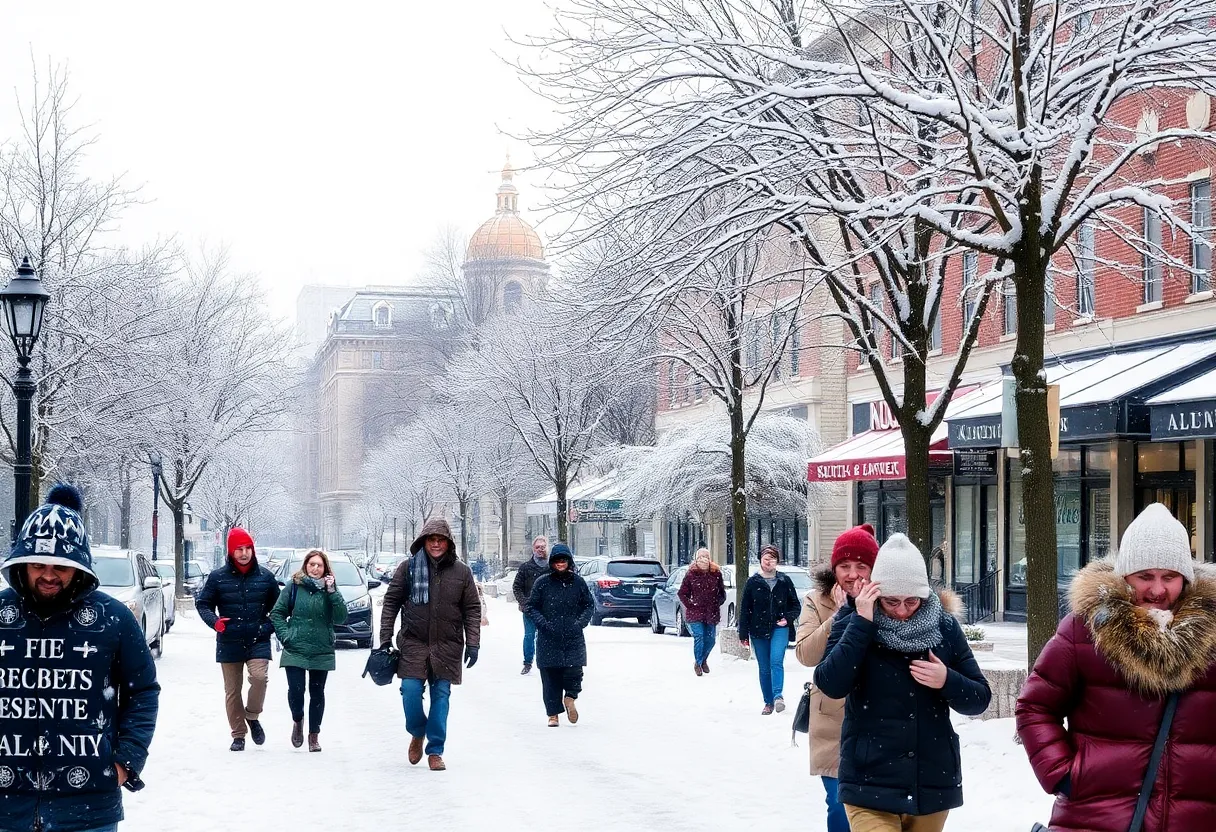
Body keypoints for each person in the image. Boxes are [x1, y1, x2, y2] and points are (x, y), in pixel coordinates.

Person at [1016, 503, 1216, 832]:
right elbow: (1035, 706)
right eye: (1145, 576)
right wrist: (1065, 775)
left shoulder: (1211, 634)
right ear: (1125, 575)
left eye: (1169, 577)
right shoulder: (1084, 629)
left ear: (1185, 578)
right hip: (1094, 818)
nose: (1157, 590)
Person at [0, 484, 160, 832]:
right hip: (7, 807)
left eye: (61, 566)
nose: (48, 574)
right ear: (22, 564)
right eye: (38, 564)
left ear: (79, 566)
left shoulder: (113, 619)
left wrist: (126, 761)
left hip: (87, 807)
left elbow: (143, 690)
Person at [814, 533, 991, 832]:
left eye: (912, 601)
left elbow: (980, 698)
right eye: (891, 601)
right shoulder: (853, 620)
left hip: (930, 784)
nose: (901, 610)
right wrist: (862, 623)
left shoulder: (944, 626)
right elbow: (830, 683)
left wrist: (946, 680)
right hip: (868, 782)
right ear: (875, 593)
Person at [379, 517, 481, 771]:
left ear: (448, 543)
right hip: (413, 642)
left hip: (448, 644)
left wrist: (473, 643)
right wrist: (385, 638)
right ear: (423, 541)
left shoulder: (462, 572)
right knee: (410, 691)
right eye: (431, 540)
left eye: (441, 540)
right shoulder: (408, 568)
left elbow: (472, 608)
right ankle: (417, 731)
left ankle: (435, 750)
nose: (436, 544)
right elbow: (391, 602)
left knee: (441, 697)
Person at [795, 523, 879, 832]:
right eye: (844, 566)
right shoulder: (816, 601)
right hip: (833, 720)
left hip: (877, 719)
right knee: (840, 803)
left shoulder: (888, 599)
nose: (853, 574)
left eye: (861, 566)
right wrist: (840, 616)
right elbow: (806, 654)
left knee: (874, 808)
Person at [195, 527, 281, 751]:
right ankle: (238, 734)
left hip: (258, 639)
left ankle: (252, 716)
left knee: (259, 678)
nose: (244, 553)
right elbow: (203, 604)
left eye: (247, 548)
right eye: (239, 549)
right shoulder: (217, 577)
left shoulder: (265, 577)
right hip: (229, 640)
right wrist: (215, 622)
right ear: (231, 552)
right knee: (232, 691)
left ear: (253, 550)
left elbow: (280, 608)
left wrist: (267, 627)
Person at [269, 549, 346, 753]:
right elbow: (277, 613)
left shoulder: (330, 589)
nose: (315, 568)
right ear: (305, 566)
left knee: (317, 693)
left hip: (321, 649)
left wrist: (332, 592)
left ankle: (314, 735)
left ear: (325, 568)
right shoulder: (294, 586)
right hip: (295, 647)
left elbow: (341, 617)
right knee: (296, 690)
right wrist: (286, 635)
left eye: (319, 565)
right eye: (312, 564)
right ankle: (298, 720)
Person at [526, 542, 593, 726]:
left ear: (569, 561)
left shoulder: (578, 582)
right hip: (549, 637)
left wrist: (579, 623)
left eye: (564, 560)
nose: (560, 564)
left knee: (574, 671)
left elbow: (588, 605)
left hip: (573, 636)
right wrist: (543, 624)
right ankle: (553, 714)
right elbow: (532, 607)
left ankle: (570, 697)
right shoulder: (543, 583)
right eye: (557, 561)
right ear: (552, 562)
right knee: (550, 677)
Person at [738, 544, 802, 714]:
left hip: (780, 627)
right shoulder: (753, 582)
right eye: (766, 558)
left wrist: (787, 618)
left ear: (777, 561)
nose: (769, 562)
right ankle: (768, 702)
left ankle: (778, 696)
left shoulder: (784, 581)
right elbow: (745, 609)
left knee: (776, 661)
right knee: (765, 667)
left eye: (772, 558)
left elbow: (796, 605)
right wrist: (743, 634)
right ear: (760, 560)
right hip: (758, 629)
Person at [677, 547, 726, 676]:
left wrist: (717, 602)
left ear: (710, 559)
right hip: (695, 612)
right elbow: (682, 593)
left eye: (706, 557)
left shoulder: (716, 573)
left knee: (711, 640)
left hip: (711, 612)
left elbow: (722, 593)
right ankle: (698, 663)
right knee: (699, 636)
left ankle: (703, 659)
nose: (703, 560)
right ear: (696, 559)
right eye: (701, 557)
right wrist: (690, 605)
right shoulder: (691, 574)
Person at [513, 535, 550, 674]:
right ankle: (527, 662)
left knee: (546, 636)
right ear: (533, 549)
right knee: (529, 636)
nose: (540, 549)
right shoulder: (525, 567)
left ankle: (545, 661)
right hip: (530, 609)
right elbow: (517, 587)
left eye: (543, 547)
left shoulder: (552, 568)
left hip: (548, 609)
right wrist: (524, 602)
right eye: (537, 547)